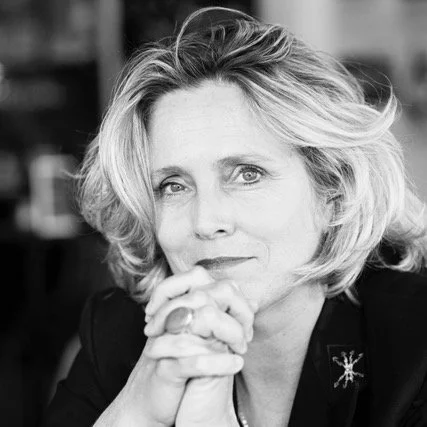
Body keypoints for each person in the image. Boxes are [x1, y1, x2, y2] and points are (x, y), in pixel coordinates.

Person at [43, 7, 427, 427]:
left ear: (333, 192)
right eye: (173, 185)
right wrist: (137, 411)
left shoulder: (414, 344)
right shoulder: (120, 335)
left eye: (247, 174)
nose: (206, 222)